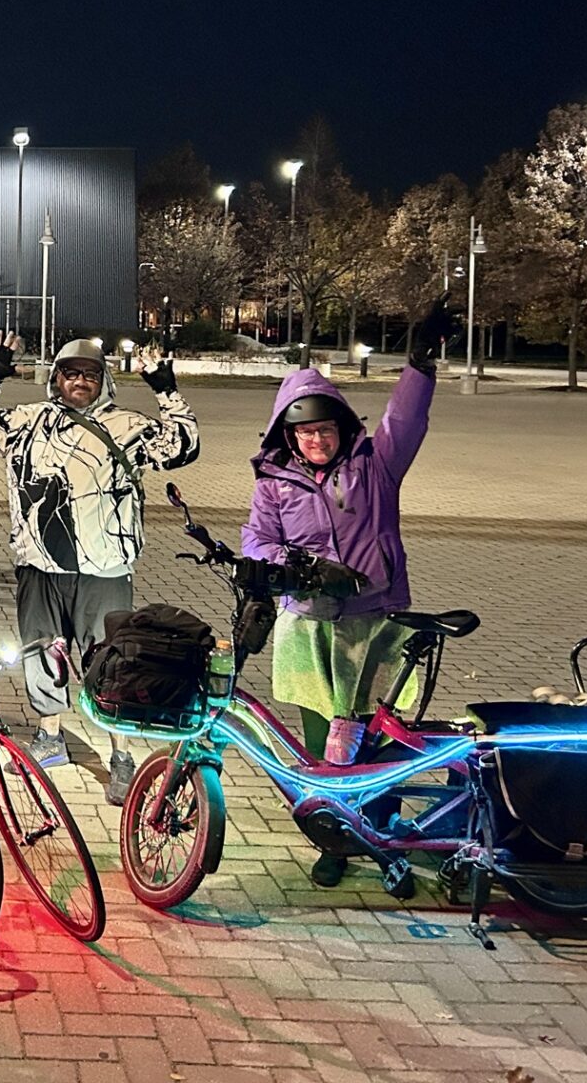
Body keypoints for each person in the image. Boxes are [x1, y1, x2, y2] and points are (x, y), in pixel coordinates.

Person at [240, 298, 453, 886]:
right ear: (289, 432)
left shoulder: (376, 465)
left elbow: (404, 422)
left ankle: (383, 839)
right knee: (321, 744)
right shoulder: (275, 480)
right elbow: (257, 537)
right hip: (308, 624)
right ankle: (334, 840)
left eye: (324, 429)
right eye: (304, 431)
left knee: (376, 741)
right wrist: (287, 569)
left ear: (342, 427)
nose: (315, 440)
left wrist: (419, 365)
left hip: (373, 622)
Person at [0, 331, 202, 805]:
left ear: (104, 381)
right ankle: (50, 736)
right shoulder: (27, 421)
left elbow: (183, 447)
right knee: (41, 654)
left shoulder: (128, 426)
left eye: (90, 375)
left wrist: (166, 389)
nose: (80, 382)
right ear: (55, 379)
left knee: (112, 661)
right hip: (39, 564)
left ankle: (120, 753)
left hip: (106, 568)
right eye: (70, 374)